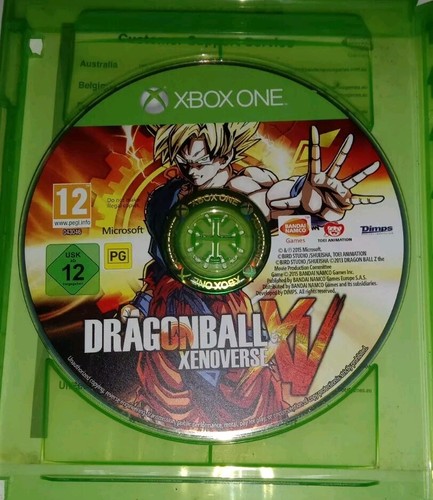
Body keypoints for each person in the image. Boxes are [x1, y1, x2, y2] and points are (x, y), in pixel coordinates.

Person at [120, 122, 382, 429]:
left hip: (227, 312)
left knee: (242, 394)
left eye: (201, 162)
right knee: (169, 395)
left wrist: (311, 198)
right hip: (172, 310)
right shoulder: (166, 199)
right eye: (184, 162)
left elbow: (275, 199)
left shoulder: (246, 187)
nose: (192, 171)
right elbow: (162, 266)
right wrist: (142, 303)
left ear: (224, 155)